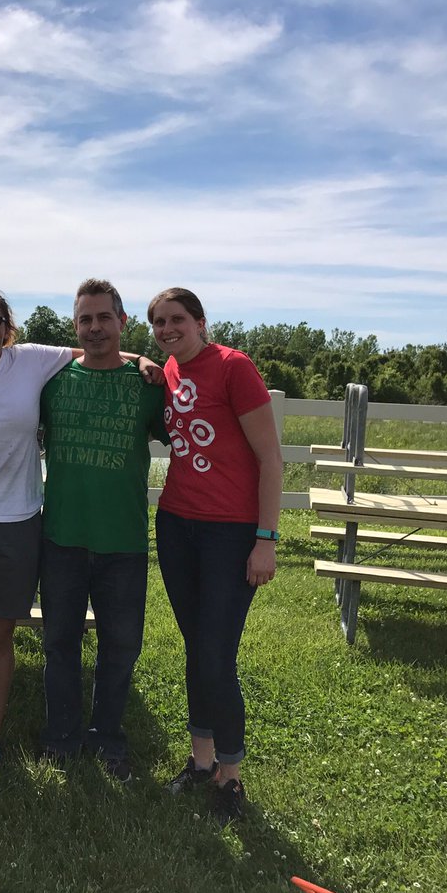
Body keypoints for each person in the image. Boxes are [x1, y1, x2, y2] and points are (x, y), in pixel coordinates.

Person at [0, 287, 159, 778]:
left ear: (9, 327)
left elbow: (96, 348)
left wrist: (146, 357)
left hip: (16, 520)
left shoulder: (31, 361)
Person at [148, 287, 283, 823]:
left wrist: (266, 539)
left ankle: (231, 776)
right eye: (158, 322)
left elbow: (271, 461)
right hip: (177, 523)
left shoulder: (234, 367)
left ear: (201, 321)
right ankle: (201, 762)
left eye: (176, 319)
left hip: (230, 533)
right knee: (195, 648)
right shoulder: (170, 371)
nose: (166, 328)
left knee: (215, 653)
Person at [38, 278, 167, 784]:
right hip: (62, 536)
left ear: (122, 322)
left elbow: (188, 434)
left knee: (121, 646)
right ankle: (62, 738)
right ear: (76, 327)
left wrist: (143, 362)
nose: (95, 328)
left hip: (124, 541)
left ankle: (108, 737)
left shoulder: (148, 387)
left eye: (104, 318)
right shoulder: (53, 382)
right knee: (59, 644)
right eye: (85, 320)